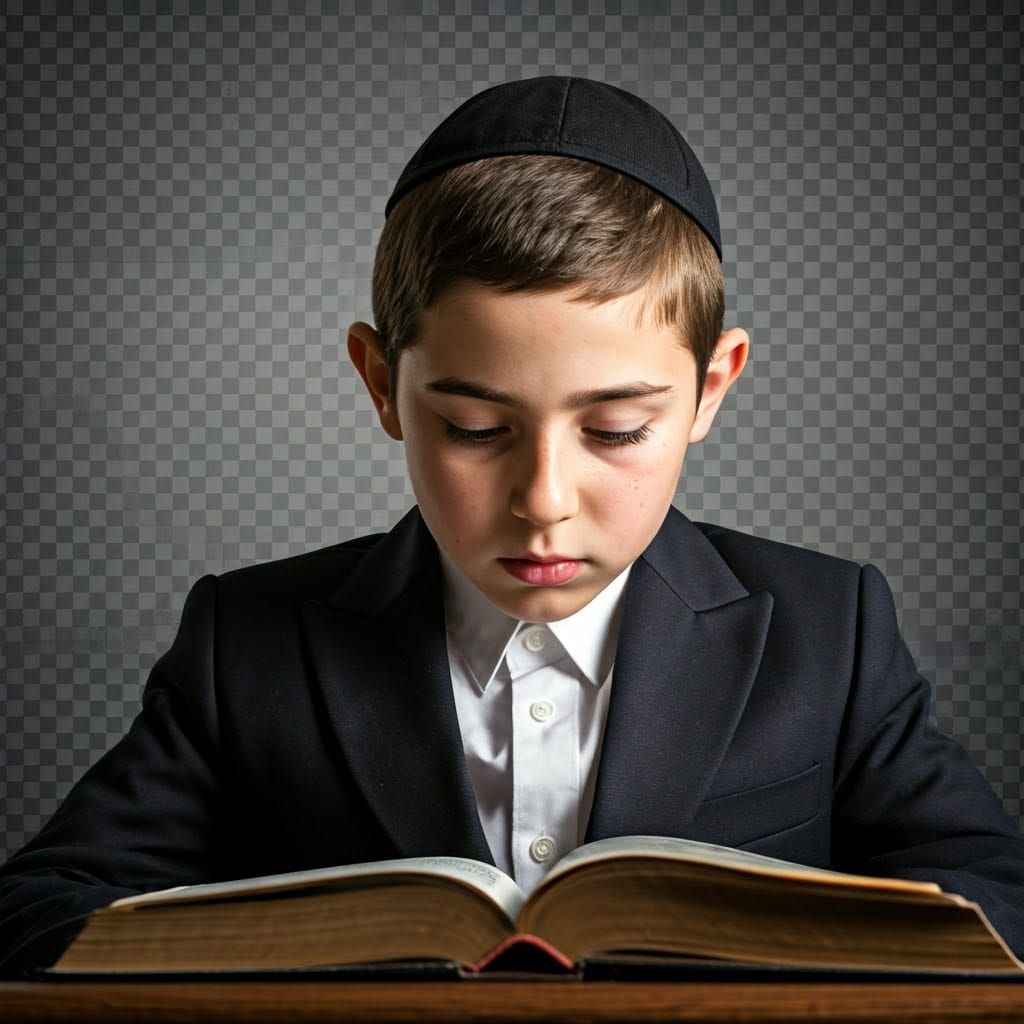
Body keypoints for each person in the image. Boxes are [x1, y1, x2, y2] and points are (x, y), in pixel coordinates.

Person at [1, 75, 1022, 977]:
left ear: (711, 389)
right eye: (476, 429)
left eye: (615, 430)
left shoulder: (830, 628)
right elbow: (37, 909)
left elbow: (996, 899)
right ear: (380, 382)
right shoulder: (249, 641)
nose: (543, 499)